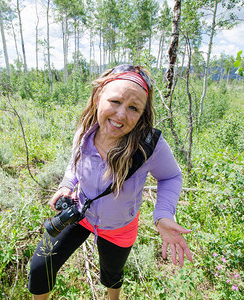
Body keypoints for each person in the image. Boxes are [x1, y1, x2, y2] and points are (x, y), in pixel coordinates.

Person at [28, 64, 193, 300]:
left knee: (112, 275)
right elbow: (74, 163)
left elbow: (171, 176)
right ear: (98, 97)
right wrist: (67, 183)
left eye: (133, 108)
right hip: (80, 214)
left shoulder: (149, 145)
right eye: (115, 101)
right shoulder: (85, 131)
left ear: (142, 114)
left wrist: (164, 213)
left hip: (120, 228)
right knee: (39, 267)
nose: (121, 115)